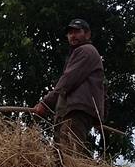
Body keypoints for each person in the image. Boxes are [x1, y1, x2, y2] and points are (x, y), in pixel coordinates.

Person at [32, 18, 105, 158]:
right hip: (71, 111)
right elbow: (103, 89)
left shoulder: (86, 51)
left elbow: (68, 80)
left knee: (68, 155)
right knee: (59, 156)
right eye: (70, 33)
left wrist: (46, 103)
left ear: (88, 34)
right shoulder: (83, 53)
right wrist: (99, 118)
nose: (73, 36)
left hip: (76, 110)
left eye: (77, 32)